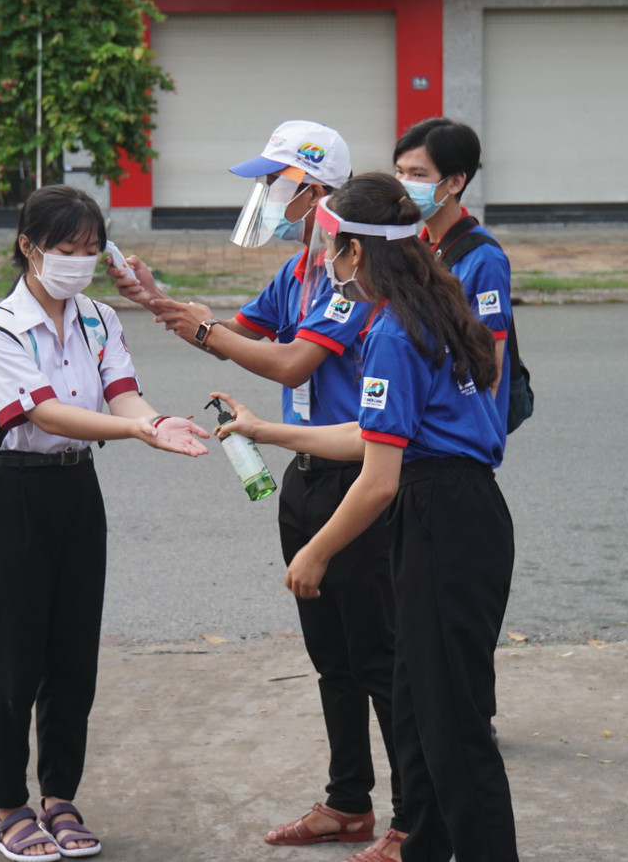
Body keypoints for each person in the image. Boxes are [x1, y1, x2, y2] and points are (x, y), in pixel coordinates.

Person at [107, 122, 407, 859]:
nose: (267, 195)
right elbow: (242, 331)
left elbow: (290, 364)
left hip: (355, 472)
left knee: (378, 661)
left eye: (277, 181)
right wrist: (158, 300)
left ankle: (412, 820)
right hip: (306, 471)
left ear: (318, 191)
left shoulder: (353, 278)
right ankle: (348, 802)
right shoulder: (301, 271)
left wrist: (204, 329)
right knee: (331, 655)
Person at [214, 172, 519, 862]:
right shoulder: (434, 305)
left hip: (442, 517)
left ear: (357, 252)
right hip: (457, 510)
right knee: (420, 712)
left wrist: (317, 550)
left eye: (330, 248)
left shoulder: (390, 331)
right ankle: (424, 849)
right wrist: (271, 430)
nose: (323, 261)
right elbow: (372, 432)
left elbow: (377, 479)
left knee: (456, 734)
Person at [0, 185, 209, 861]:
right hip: (13, 494)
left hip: (78, 489)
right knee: (15, 661)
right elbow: (45, 413)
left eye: (89, 249)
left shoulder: (99, 319)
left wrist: (153, 420)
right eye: (64, 249)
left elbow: (123, 394)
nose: (78, 261)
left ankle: (60, 797)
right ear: (28, 247)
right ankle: (9, 805)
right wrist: (138, 434)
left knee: (73, 658)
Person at [393, 118, 514, 439]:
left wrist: (473, 439)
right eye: (400, 172)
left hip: (455, 443)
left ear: (455, 182)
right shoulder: (414, 247)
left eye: (418, 175)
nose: (404, 184)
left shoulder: (483, 258)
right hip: (420, 428)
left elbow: (492, 364)